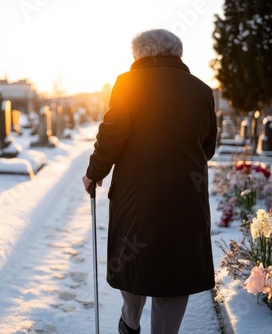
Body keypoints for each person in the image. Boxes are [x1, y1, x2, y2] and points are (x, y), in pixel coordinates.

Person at [82, 29, 217, 334]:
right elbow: (207, 147)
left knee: (134, 262)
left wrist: (94, 173)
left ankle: (130, 322)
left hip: (136, 193)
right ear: (176, 54)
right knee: (176, 271)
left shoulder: (129, 83)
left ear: (139, 54)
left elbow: (112, 135)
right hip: (187, 195)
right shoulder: (202, 90)